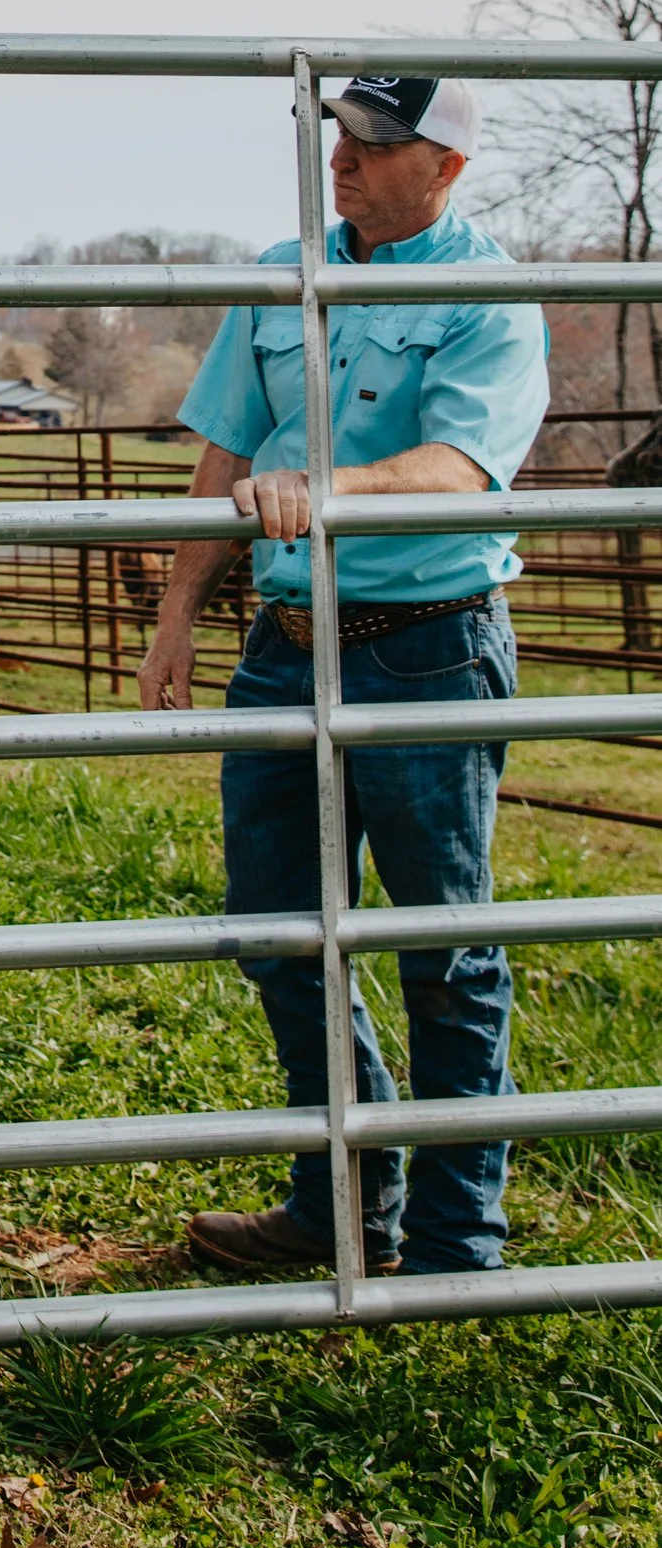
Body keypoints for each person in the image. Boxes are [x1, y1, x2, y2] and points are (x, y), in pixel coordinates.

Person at [138, 72, 548, 1279]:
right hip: (282, 647)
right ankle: (339, 1201)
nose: (345, 161)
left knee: (441, 943)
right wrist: (176, 606)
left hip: (425, 641)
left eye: (374, 144)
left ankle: (452, 1238)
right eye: (339, 139)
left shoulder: (487, 294)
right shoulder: (284, 271)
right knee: (279, 931)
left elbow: (465, 466)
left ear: (446, 167)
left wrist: (327, 492)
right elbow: (224, 447)